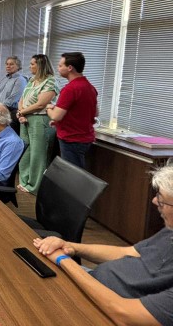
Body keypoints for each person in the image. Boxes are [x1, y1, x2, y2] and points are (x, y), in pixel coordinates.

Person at [34, 164, 173, 326]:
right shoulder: (170, 231)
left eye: (162, 200)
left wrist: (63, 261)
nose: (155, 201)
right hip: (91, 284)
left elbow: (123, 313)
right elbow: (129, 252)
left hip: (102, 311)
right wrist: (70, 247)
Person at [16, 54, 60, 194]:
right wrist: (21, 112)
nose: (30, 66)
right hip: (25, 119)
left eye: (32, 64)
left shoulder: (50, 81)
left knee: (38, 154)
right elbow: (22, 99)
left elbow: (41, 104)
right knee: (25, 151)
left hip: (40, 120)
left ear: (40, 65)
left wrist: (22, 112)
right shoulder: (32, 80)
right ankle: (24, 181)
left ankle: (35, 186)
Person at [46, 52, 98, 169]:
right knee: (76, 171)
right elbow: (94, 112)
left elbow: (55, 116)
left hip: (72, 139)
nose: (58, 68)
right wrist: (60, 121)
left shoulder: (70, 89)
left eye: (60, 65)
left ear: (70, 68)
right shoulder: (90, 87)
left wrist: (49, 107)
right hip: (85, 138)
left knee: (72, 174)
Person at [0, 56, 27, 134]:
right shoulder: (4, 79)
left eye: (11, 64)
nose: (8, 66)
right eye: (7, 64)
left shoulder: (20, 80)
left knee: (8, 135)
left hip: (10, 112)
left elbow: (13, 99)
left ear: (18, 66)